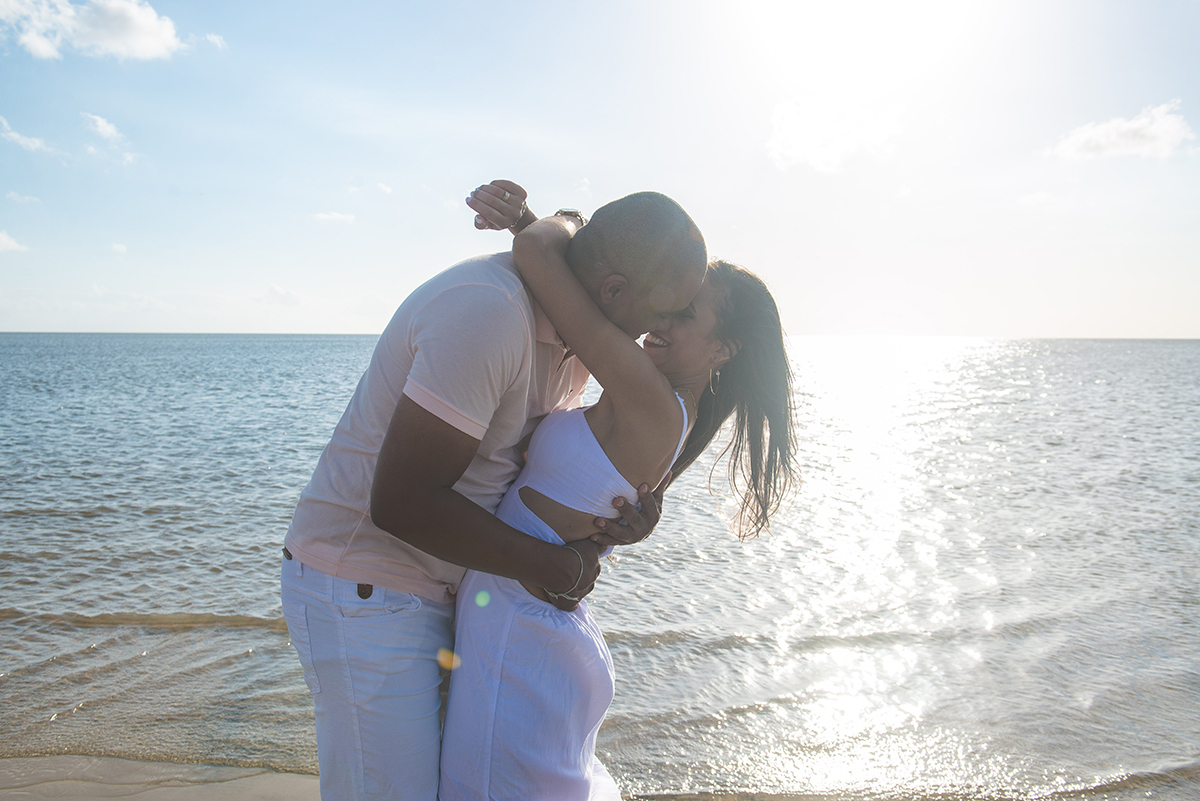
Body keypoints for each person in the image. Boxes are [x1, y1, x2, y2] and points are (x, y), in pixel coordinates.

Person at [280, 187, 707, 800]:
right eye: (666, 307)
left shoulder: (573, 330)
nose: (661, 328)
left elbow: (539, 459)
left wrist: (626, 511)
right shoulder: (487, 313)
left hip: (452, 592)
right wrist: (556, 565)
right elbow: (401, 502)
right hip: (364, 589)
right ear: (613, 291)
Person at [438, 200, 796, 800]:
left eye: (685, 312)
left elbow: (540, 263)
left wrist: (551, 220)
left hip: (521, 634)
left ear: (724, 350)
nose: (662, 315)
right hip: (530, 624)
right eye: (666, 300)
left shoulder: (650, 399)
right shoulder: (664, 409)